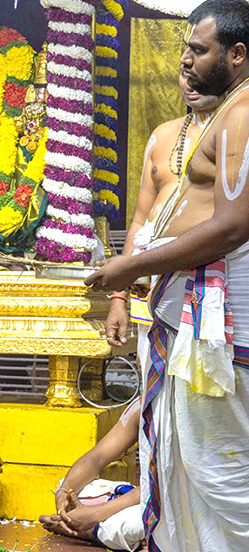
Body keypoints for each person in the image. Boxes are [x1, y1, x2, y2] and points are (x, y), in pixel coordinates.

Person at [88, 0, 249, 552]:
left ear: (238, 54)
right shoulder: (211, 120)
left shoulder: (243, 114)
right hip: (187, 307)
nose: (186, 59)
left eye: (201, 48)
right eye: (184, 46)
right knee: (181, 455)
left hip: (224, 314)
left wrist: (133, 270)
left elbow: (236, 223)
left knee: (220, 460)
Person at [106, 72, 221, 348]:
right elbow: (140, 222)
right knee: (155, 386)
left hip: (211, 287)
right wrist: (118, 298)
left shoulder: (237, 136)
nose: (191, 83)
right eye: (184, 73)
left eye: (200, 73)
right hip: (152, 284)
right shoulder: (162, 135)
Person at [38, 399, 147, 552]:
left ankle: (87, 531)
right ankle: (82, 523)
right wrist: (64, 493)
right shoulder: (144, 403)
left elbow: (162, 485)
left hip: (175, 503)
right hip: (140, 495)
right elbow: (96, 458)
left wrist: (95, 514)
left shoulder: (187, 411)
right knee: (72, 486)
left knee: (138, 524)